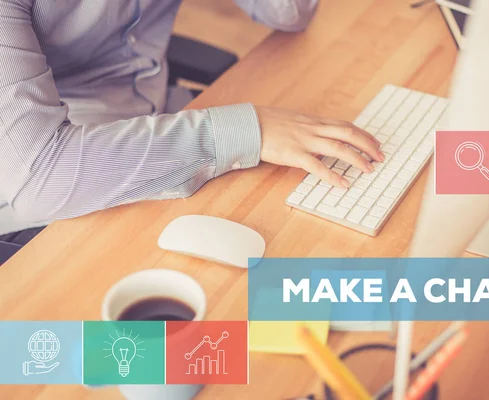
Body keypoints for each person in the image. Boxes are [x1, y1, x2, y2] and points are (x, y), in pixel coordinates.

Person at [0, 0, 383, 262]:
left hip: (166, 126)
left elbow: (290, 12)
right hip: (59, 197)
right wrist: (249, 129)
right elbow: (39, 178)